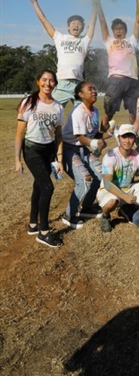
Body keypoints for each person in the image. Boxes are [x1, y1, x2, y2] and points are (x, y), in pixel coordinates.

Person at [15, 69, 64, 247]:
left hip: (49, 150)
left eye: (51, 81)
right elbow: (20, 134)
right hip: (32, 150)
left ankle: (33, 224)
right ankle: (43, 231)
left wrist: (59, 159)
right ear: (38, 82)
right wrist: (17, 159)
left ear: (55, 84)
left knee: (38, 185)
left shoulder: (58, 107)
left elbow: (59, 136)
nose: (48, 84)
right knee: (47, 187)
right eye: (44, 80)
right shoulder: (28, 103)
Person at [23, 0, 97, 106]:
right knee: (52, 111)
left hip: (79, 85)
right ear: (68, 27)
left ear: (82, 28)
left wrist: (95, 5)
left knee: (83, 114)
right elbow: (44, 20)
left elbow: (92, 23)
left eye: (79, 24)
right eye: (73, 23)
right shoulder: (60, 38)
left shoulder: (84, 41)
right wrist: (35, 3)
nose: (76, 25)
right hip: (62, 83)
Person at [62, 81, 113, 229]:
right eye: (90, 89)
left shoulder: (95, 111)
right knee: (85, 179)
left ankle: (86, 207)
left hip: (83, 149)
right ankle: (68, 215)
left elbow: (94, 134)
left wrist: (109, 133)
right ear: (80, 94)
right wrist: (96, 144)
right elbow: (81, 138)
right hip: (69, 149)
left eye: (95, 88)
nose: (94, 91)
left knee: (100, 173)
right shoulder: (78, 111)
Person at [96, 124, 139, 232]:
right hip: (110, 189)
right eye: (124, 137)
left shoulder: (138, 157)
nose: (127, 140)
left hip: (128, 188)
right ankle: (105, 216)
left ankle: (128, 209)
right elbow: (107, 183)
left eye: (130, 137)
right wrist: (124, 197)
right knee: (112, 201)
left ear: (134, 139)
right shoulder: (111, 156)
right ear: (119, 138)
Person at [97, 0, 139, 130]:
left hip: (133, 80)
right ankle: (101, 134)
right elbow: (102, 21)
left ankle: (134, 135)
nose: (118, 31)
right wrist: (97, 2)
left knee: (134, 113)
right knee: (109, 112)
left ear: (125, 30)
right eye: (115, 29)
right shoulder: (109, 41)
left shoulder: (132, 41)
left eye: (121, 28)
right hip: (115, 79)